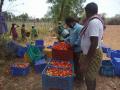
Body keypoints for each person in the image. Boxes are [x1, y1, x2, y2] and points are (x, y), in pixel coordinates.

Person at [79, 2, 104, 90]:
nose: (85, 14)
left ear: (88, 11)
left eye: (86, 12)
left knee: (89, 78)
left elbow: (94, 43)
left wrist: (86, 62)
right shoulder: (93, 21)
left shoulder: (94, 22)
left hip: (92, 54)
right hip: (89, 54)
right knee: (90, 77)